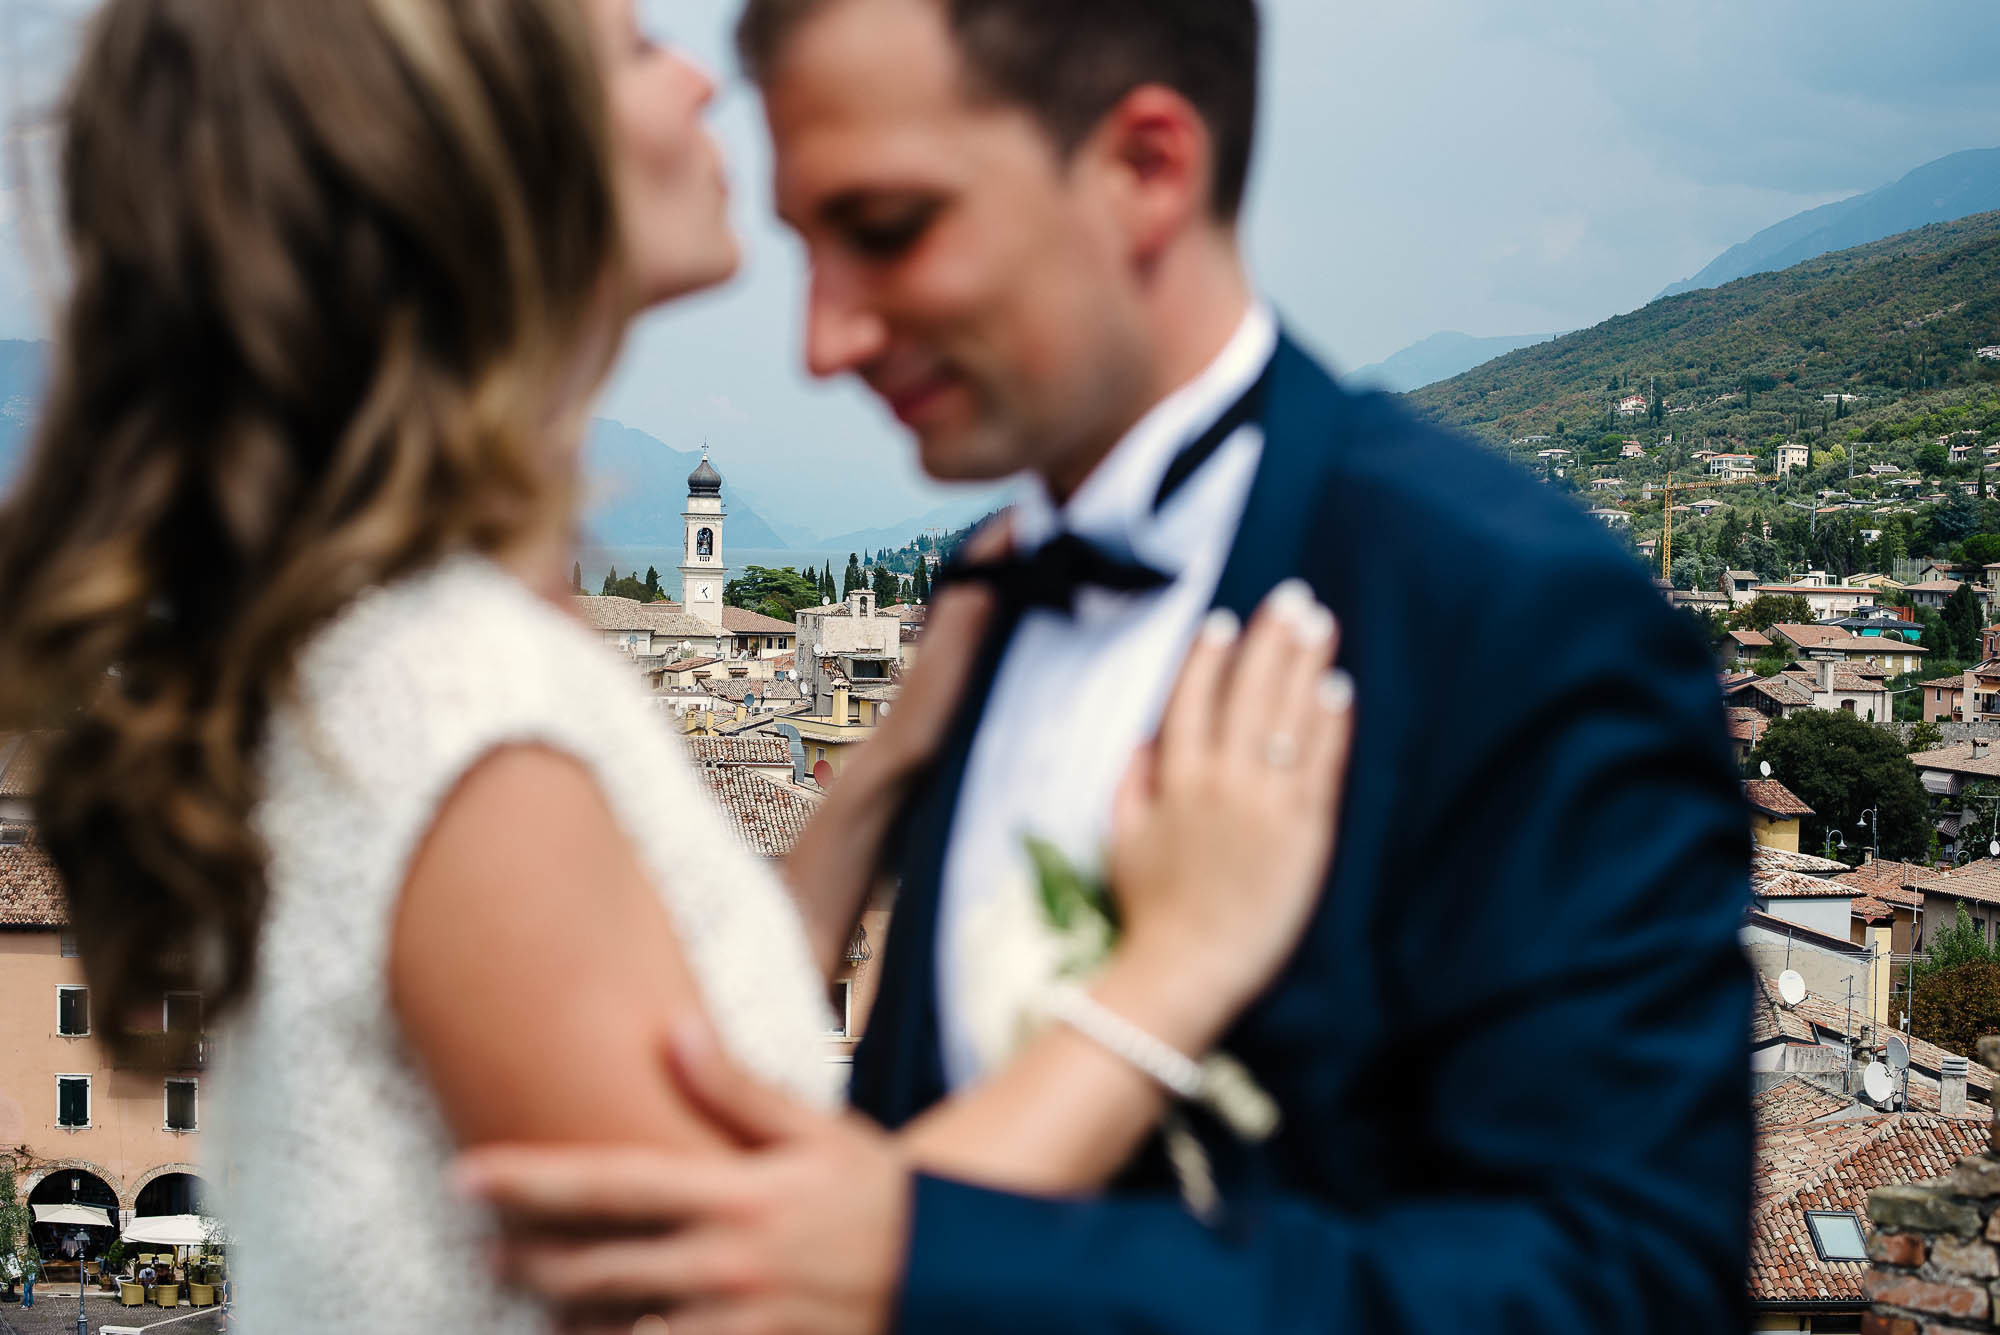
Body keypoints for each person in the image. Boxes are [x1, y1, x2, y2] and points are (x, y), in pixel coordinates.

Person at [0, 2, 1349, 1333]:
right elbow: (754, 1303)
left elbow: (689, 1056)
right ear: (493, 163)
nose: (704, 85)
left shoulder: (458, 644)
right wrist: (1169, 973)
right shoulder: (458, 709)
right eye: (638, 52)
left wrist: (880, 769)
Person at [458, 1, 1755, 1332]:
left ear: (1146, 168)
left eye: (887, 230)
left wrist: (933, 1254)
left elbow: (1625, 1284)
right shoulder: (983, 606)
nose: (822, 343)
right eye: (802, 246)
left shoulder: (1512, 610)